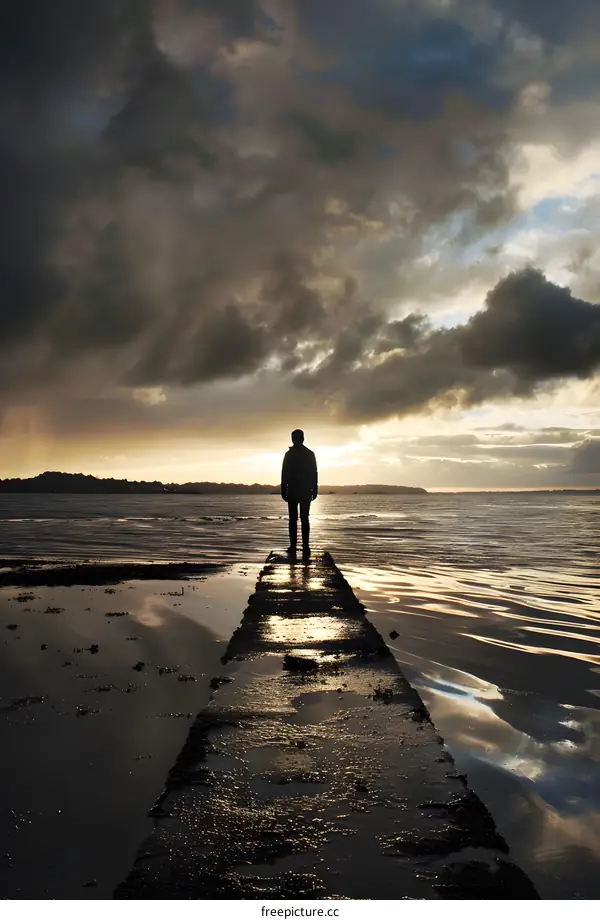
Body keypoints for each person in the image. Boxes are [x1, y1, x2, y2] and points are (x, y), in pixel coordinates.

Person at [281, 429, 318, 558]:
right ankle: (296, 545)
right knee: (297, 519)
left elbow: (314, 472)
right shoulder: (291, 454)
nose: (295, 440)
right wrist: (283, 489)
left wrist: (315, 488)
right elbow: (284, 473)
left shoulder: (308, 454)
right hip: (297, 490)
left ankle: (303, 546)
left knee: (301, 519)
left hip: (302, 490)